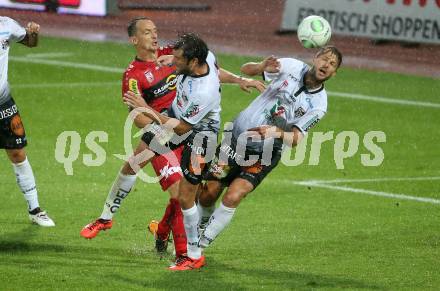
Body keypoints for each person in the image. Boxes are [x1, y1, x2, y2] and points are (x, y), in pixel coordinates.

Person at [123, 32, 264, 270]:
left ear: (193, 62)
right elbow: (216, 72)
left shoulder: (203, 93)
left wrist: (146, 109)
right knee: (183, 194)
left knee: (188, 195)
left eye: (178, 59)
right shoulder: (205, 57)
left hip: (199, 139)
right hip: (181, 127)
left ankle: (192, 254)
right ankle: (180, 244)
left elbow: (182, 126)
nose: (171, 61)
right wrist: (240, 79)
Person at [196, 46, 343, 261]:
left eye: (332, 65)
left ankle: (197, 247)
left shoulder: (319, 105)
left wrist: (274, 132)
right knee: (208, 192)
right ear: (315, 58)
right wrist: (261, 66)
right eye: (325, 59)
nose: (326, 65)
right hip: (235, 139)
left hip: (265, 154)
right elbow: (246, 69)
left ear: (334, 73)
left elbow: (295, 139)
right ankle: (200, 225)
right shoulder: (290, 65)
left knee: (234, 195)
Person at [0, 17, 55, 227]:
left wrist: (34, 33)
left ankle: (35, 209)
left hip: (3, 104)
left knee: (18, 153)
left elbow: (30, 42)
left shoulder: (6, 25)